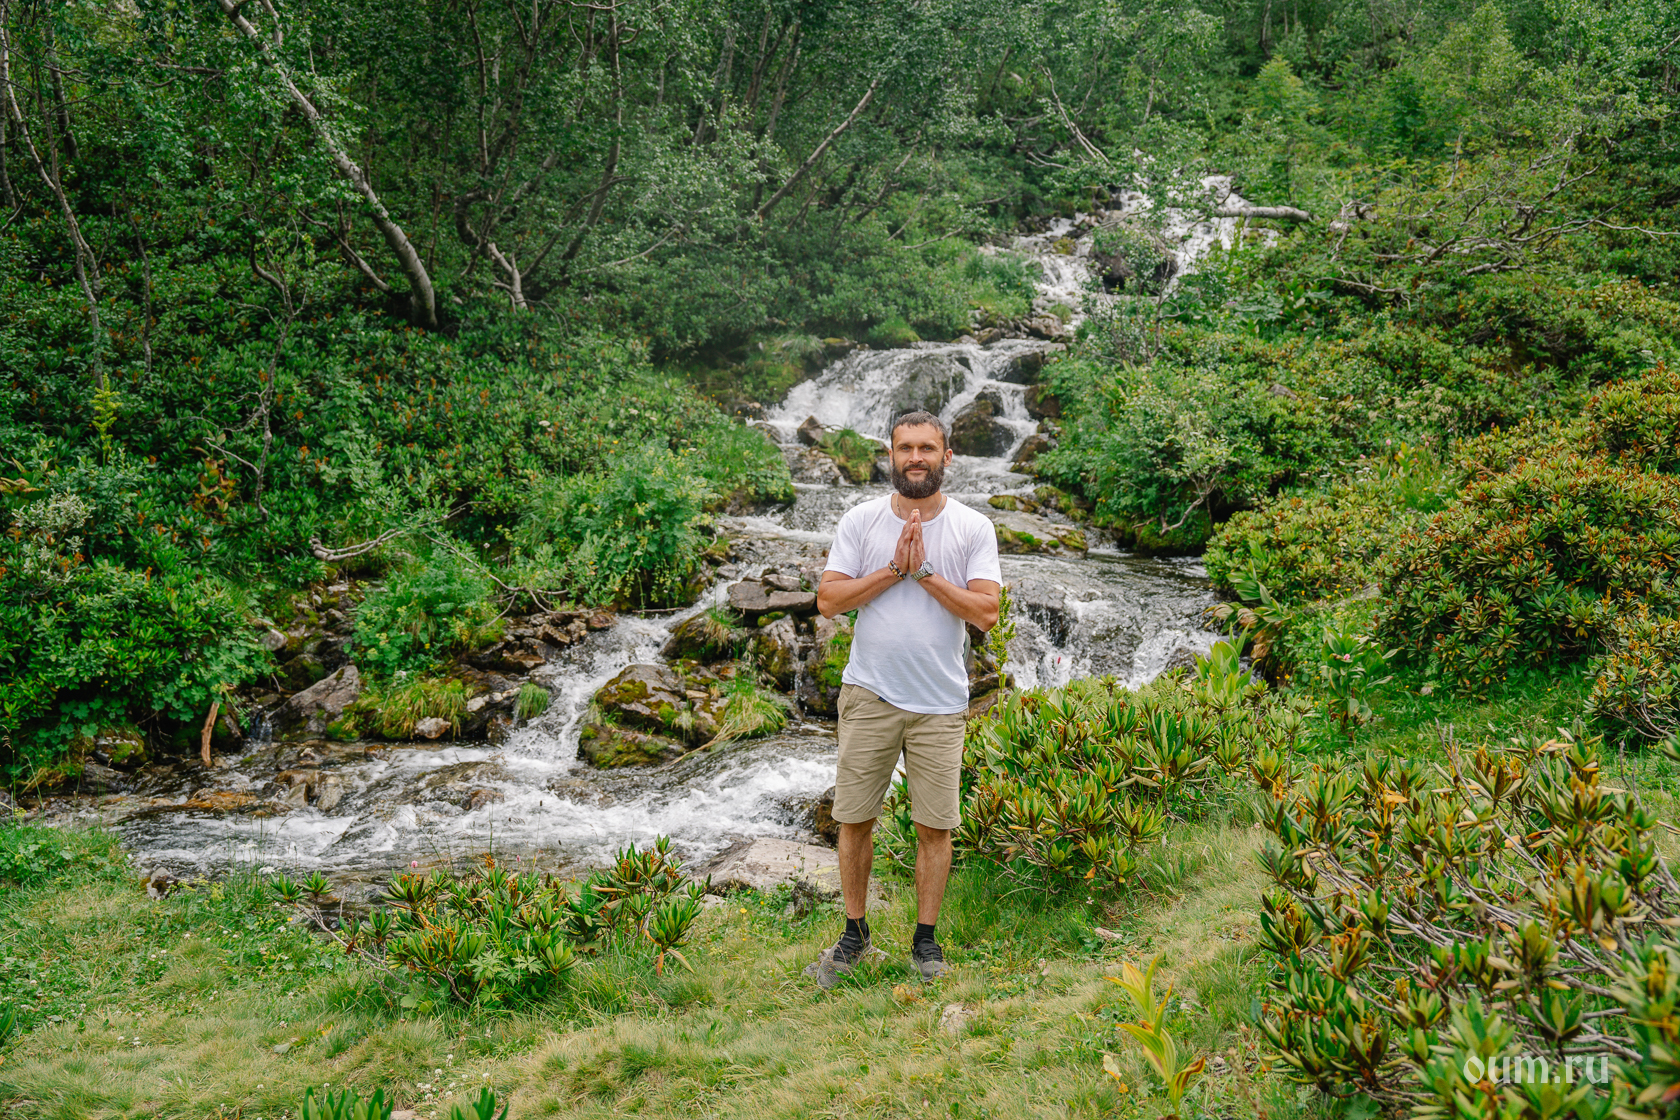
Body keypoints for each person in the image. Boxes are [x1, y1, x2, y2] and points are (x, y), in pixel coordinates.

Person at [808, 409, 1002, 989]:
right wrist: (895, 568)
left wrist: (925, 574)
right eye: (905, 448)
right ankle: (854, 933)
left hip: (939, 702)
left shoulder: (973, 528)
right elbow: (828, 601)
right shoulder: (861, 521)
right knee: (854, 819)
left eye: (927, 448)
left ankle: (925, 940)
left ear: (947, 456)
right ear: (890, 456)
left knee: (934, 827)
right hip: (870, 692)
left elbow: (986, 612)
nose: (916, 458)